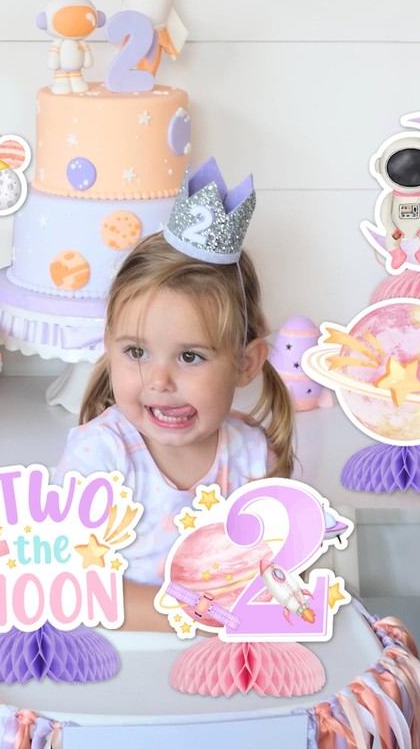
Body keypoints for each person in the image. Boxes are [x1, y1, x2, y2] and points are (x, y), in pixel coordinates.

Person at [54, 159, 296, 630]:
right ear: (108, 346)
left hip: (224, 663)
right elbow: (78, 588)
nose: (159, 381)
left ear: (246, 363)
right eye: (136, 352)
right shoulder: (99, 456)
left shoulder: (253, 457)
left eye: (189, 356)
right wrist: (204, 620)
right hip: (118, 660)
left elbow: (274, 572)